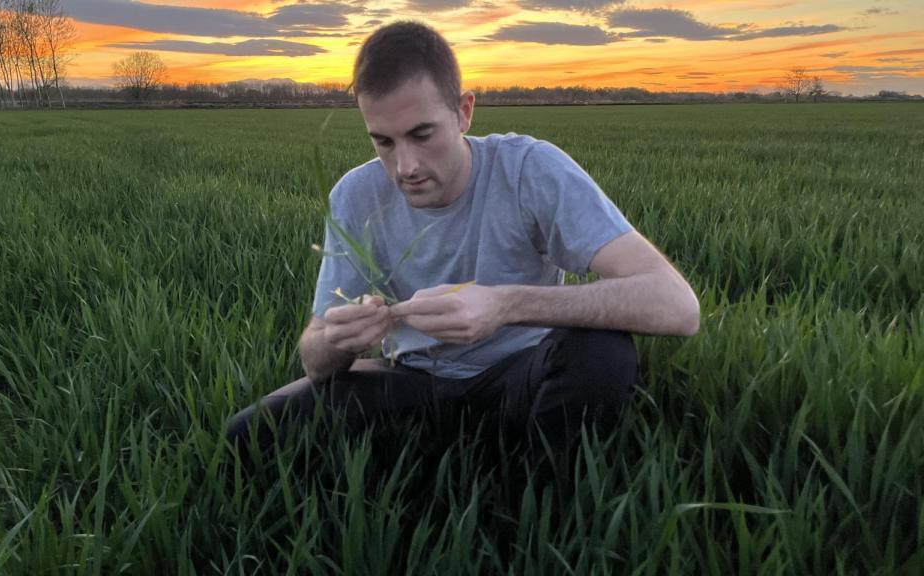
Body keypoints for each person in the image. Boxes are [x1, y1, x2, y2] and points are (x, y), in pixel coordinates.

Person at [227, 21, 700, 463]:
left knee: (601, 353)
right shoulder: (355, 195)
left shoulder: (529, 169)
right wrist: (338, 340)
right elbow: (314, 358)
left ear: (464, 112)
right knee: (247, 437)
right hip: (412, 379)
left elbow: (677, 306)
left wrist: (504, 305)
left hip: (522, 372)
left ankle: (539, 504)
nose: (405, 166)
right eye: (384, 142)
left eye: (422, 134)